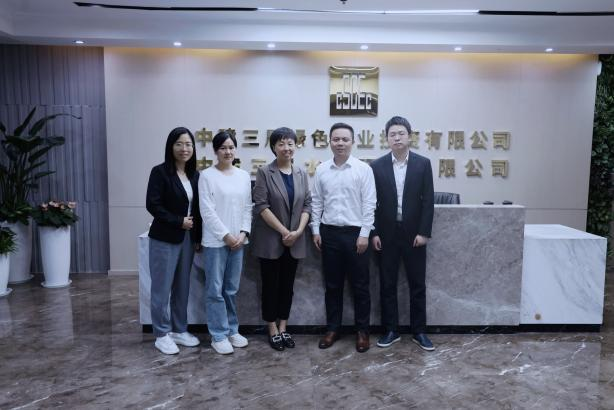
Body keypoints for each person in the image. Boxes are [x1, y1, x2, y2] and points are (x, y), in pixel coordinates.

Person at [370, 116, 435, 351]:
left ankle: (419, 331)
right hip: (386, 234)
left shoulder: (423, 164)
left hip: (414, 235)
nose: (397, 138)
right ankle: (391, 330)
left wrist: (424, 232)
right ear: (386, 139)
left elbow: (428, 201)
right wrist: (374, 232)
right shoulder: (376, 166)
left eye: (401, 133)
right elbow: (371, 203)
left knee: (417, 284)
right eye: (392, 134)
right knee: (387, 284)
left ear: (409, 136)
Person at [311, 122, 376, 353]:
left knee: (360, 286)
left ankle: (362, 331)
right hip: (329, 233)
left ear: (352, 142)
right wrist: (315, 230)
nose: (340, 143)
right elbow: (316, 202)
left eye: (345, 139)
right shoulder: (322, 169)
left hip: (356, 235)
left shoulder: (363, 169)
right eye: (336, 139)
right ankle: (333, 329)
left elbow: (370, 203)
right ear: (329, 142)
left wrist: (364, 234)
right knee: (332, 285)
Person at [251, 127, 312, 351]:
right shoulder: (264, 172)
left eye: (290, 143)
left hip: (295, 240)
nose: (286, 148)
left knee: (287, 286)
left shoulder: (301, 173)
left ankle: (284, 326)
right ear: (274, 147)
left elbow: (307, 205)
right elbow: (261, 206)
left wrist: (298, 231)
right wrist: (285, 232)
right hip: (270, 241)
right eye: (281, 144)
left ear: (296, 146)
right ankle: (272, 328)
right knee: (270, 286)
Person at [146, 126, 202, 355]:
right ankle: (161, 334)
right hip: (164, 238)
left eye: (188, 144)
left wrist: (197, 237)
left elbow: (198, 210)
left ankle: (179, 330)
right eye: (179, 144)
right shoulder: (160, 172)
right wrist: (179, 221)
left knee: (182, 286)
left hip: (188, 239)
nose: (184, 148)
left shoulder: (195, 175)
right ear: (171, 146)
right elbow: (153, 205)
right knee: (162, 288)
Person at [199, 131, 252, 355]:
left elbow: (248, 207)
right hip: (215, 242)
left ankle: (232, 330)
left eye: (231, 147)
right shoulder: (206, 176)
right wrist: (226, 235)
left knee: (231, 289)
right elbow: (207, 211)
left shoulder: (243, 175)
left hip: (238, 242)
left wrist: (243, 232)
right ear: (215, 151)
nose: (228, 151)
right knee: (215, 290)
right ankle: (218, 335)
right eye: (223, 148)